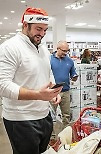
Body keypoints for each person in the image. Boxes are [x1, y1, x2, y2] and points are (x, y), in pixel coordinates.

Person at [0, 7, 62, 154]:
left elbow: (47, 72)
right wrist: (38, 95)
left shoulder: (43, 48)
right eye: (38, 29)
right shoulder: (10, 47)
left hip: (44, 115)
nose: (42, 34)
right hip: (20, 118)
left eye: (45, 30)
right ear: (25, 25)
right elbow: (2, 85)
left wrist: (53, 90)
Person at [50, 41, 78, 128]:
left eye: (67, 51)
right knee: (51, 115)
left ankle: (66, 133)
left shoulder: (69, 61)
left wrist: (74, 76)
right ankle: (51, 136)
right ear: (57, 49)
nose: (65, 53)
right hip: (53, 91)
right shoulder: (49, 59)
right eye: (63, 51)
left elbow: (73, 73)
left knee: (66, 115)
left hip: (65, 91)